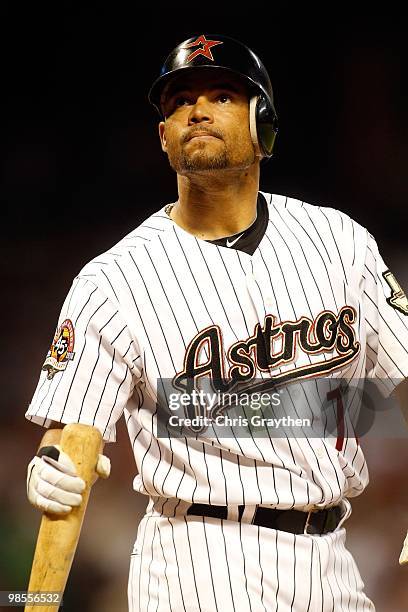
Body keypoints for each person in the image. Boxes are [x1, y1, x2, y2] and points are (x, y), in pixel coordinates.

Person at [25, 34, 408, 611]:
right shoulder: (113, 279)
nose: (197, 110)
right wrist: (49, 464)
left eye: (222, 95)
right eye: (179, 101)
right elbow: (70, 435)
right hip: (196, 561)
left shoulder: (341, 242)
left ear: (263, 124)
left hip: (333, 563)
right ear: (163, 137)